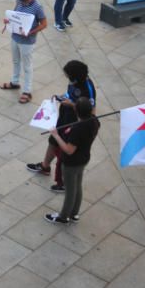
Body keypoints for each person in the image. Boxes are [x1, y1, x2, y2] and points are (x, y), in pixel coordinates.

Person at [27, 59, 97, 191]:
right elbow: (70, 94)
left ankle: (65, 182)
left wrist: (71, 105)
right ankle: (45, 166)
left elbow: (89, 110)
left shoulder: (88, 88)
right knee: (53, 140)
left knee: (64, 150)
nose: (67, 78)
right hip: (64, 116)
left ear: (75, 76)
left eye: (68, 75)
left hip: (74, 121)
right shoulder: (74, 82)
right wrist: (60, 97)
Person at [44, 98, 99, 224]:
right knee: (77, 186)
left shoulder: (78, 129)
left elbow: (69, 150)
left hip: (71, 163)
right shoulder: (94, 121)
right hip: (84, 158)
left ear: (77, 111)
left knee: (70, 190)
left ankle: (63, 217)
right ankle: (74, 214)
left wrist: (56, 135)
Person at [1, 0, 48, 104]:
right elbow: (15, 15)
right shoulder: (18, 0)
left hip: (27, 42)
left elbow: (44, 24)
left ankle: (27, 91)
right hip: (15, 37)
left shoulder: (37, 7)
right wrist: (8, 20)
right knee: (15, 61)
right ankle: (15, 82)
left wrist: (31, 32)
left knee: (27, 66)